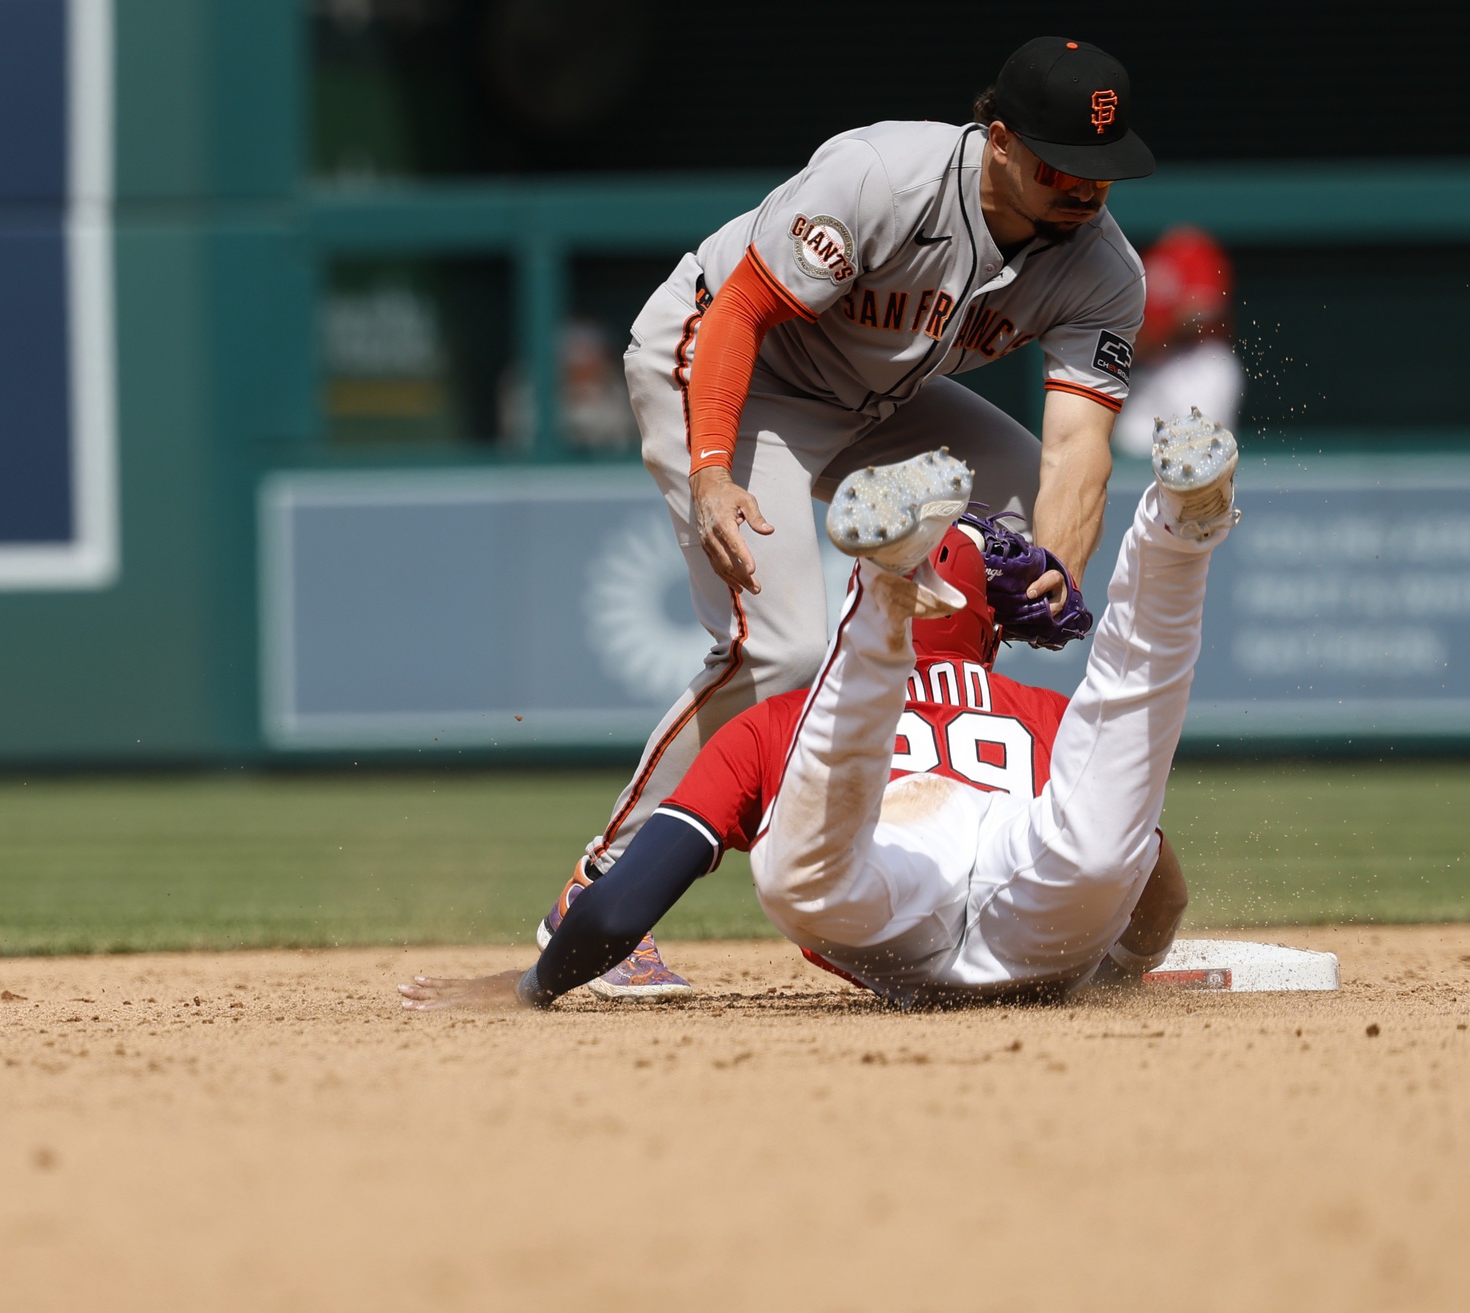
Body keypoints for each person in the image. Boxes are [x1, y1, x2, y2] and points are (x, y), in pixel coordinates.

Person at [567, 35, 1159, 999]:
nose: (1086, 188)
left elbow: (1074, 449)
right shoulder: (886, 175)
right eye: (1063, 163)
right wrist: (713, 473)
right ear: (1000, 140)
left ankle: (940, 804)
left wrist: (1058, 562)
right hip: (725, 369)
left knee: (1010, 526)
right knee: (785, 649)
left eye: (1103, 168)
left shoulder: (1104, 270)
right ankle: (597, 884)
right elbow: (740, 315)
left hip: (870, 401)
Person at [402, 412, 1237, 1011]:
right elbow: (1157, 896)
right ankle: (1173, 537)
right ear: (990, 618)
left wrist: (533, 983)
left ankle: (883, 597)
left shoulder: (773, 721)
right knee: (1127, 715)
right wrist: (1114, 973)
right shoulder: (1043, 714)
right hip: (1045, 903)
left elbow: (619, 908)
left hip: (880, 890)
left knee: (803, 870)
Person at [1113, 227, 1242, 457]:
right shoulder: (1148, 259)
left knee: (1201, 450)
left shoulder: (1195, 250)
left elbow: (1205, 310)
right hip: (1155, 370)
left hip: (1199, 363)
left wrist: (1157, 335)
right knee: (1131, 441)